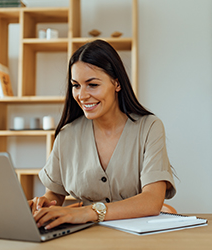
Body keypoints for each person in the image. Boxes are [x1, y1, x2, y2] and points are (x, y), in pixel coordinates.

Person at [29, 39, 176, 230]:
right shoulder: (67, 135)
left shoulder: (149, 128)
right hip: (85, 236)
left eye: (92, 85)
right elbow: (54, 195)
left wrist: (89, 212)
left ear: (116, 83)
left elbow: (152, 200)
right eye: (76, 85)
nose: (81, 95)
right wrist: (43, 205)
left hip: (138, 238)